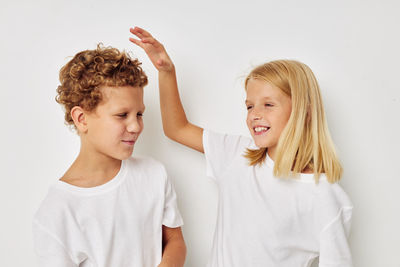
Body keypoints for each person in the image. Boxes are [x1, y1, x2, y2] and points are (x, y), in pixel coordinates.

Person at [129, 27, 353, 267]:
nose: (255, 115)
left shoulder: (327, 198)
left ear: (303, 112)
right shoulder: (237, 154)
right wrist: (166, 72)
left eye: (268, 104)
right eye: (249, 106)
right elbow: (177, 128)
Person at [32, 44, 186, 267]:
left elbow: (175, 241)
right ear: (82, 119)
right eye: (122, 115)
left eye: (139, 114)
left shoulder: (153, 174)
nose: (135, 126)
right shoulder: (56, 213)